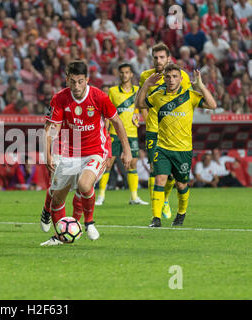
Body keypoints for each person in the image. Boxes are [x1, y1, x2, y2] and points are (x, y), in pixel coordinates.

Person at [41, 60, 131, 246]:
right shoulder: (59, 98)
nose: (77, 86)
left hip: (95, 152)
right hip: (69, 153)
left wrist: (127, 151)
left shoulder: (99, 97)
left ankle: (89, 222)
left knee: (84, 184)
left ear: (87, 80)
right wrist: (48, 153)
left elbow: (117, 123)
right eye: (73, 81)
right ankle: (61, 236)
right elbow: (52, 128)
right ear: (67, 80)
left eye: (80, 81)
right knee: (57, 199)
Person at [136, 64, 217, 227]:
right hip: (163, 148)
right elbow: (140, 104)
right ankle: (156, 219)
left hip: (183, 150)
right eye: (168, 77)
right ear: (164, 79)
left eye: (174, 77)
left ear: (181, 79)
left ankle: (181, 214)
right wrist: (146, 85)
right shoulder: (158, 96)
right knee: (159, 180)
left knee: (181, 185)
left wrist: (200, 85)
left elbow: (212, 105)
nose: (171, 80)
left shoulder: (190, 96)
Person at [133, 43, 193, 219]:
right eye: (155, 57)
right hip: (154, 129)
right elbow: (141, 99)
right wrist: (137, 113)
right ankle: (156, 214)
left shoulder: (182, 76)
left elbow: (187, 100)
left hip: (174, 133)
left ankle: (165, 198)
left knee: (173, 175)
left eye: (161, 57)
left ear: (169, 58)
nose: (158, 61)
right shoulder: (146, 76)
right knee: (155, 170)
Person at [97, 63, 148, 206]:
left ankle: (134, 197)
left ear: (131, 74)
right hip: (114, 133)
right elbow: (107, 114)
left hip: (131, 133)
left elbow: (140, 109)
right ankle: (100, 196)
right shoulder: (113, 91)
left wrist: (140, 116)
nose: (125, 75)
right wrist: (105, 132)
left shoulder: (138, 91)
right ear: (119, 74)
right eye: (122, 72)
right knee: (107, 164)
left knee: (132, 165)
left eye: (127, 72)